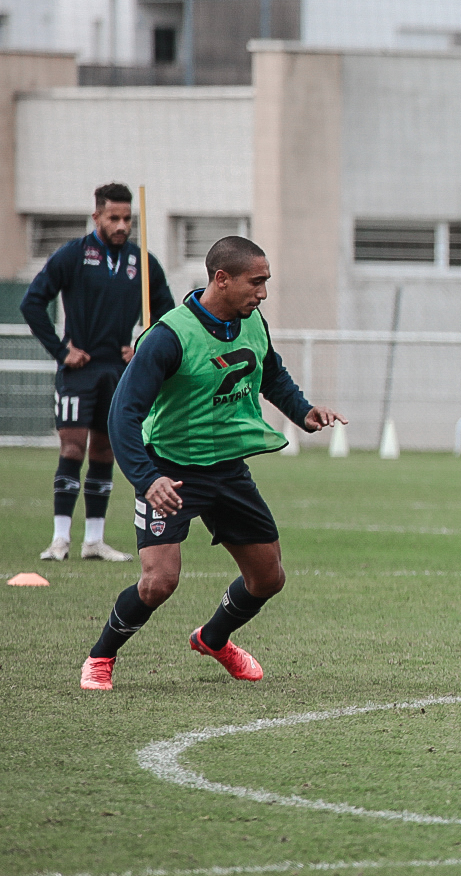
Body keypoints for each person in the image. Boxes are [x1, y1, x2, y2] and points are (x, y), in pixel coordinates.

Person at [79, 236, 344, 691]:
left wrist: (304, 412)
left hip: (227, 469)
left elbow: (271, 374)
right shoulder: (169, 336)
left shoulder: (252, 322)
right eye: (255, 282)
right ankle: (101, 656)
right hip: (171, 472)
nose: (263, 293)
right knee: (159, 582)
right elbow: (123, 415)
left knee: (268, 577)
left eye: (265, 282)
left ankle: (213, 638)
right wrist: (148, 478)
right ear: (221, 279)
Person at [21, 182, 174, 563]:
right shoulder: (73, 255)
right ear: (97, 217)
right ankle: (60, 539)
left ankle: (94, 541)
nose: (122, 225)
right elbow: (32, 302)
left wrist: (142, 344)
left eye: (128, 219)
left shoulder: (143, 262)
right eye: (114, 218)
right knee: (73, 448)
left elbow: (168, 315)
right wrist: (61, 351)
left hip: (120, 374)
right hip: (80, 371)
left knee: (105, 451)